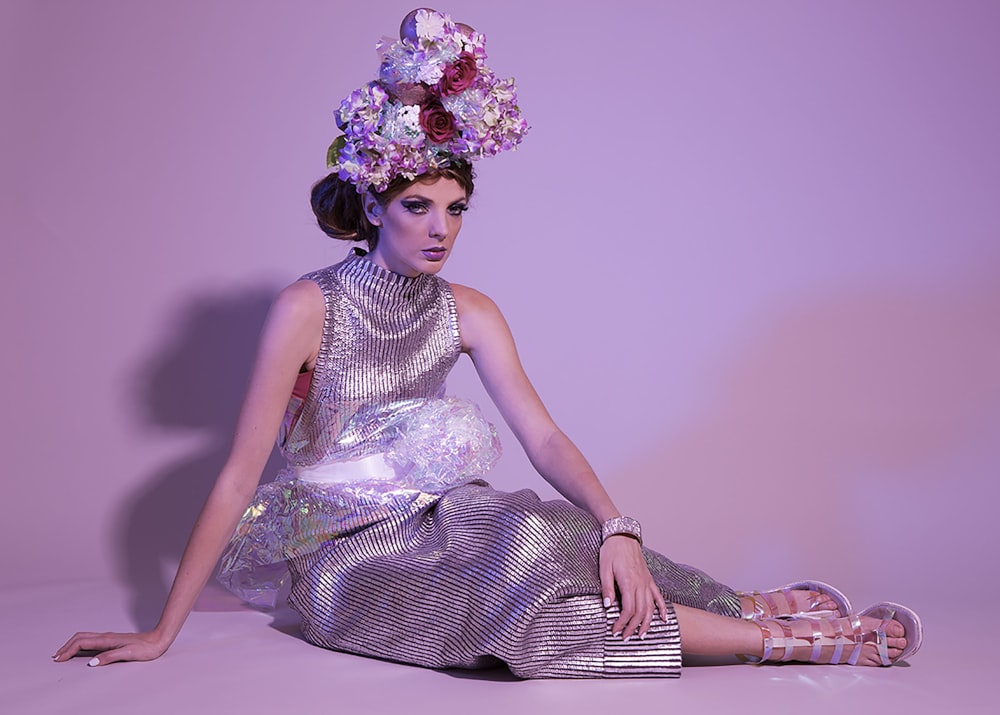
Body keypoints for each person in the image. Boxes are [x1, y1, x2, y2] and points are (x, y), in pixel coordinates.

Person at [55, 8, 921, 677]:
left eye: (456, 208)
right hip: (345, 559)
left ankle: (741, 602)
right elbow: (242, 471)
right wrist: (162, 628)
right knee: (530, 622)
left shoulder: (469, 308)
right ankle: (781, 642)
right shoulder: (307, 307)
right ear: (371, 208)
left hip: (445, 517)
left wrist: (618, 525)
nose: (441, 230)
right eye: (416, 207)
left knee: (539, 533)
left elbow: (541, 437)